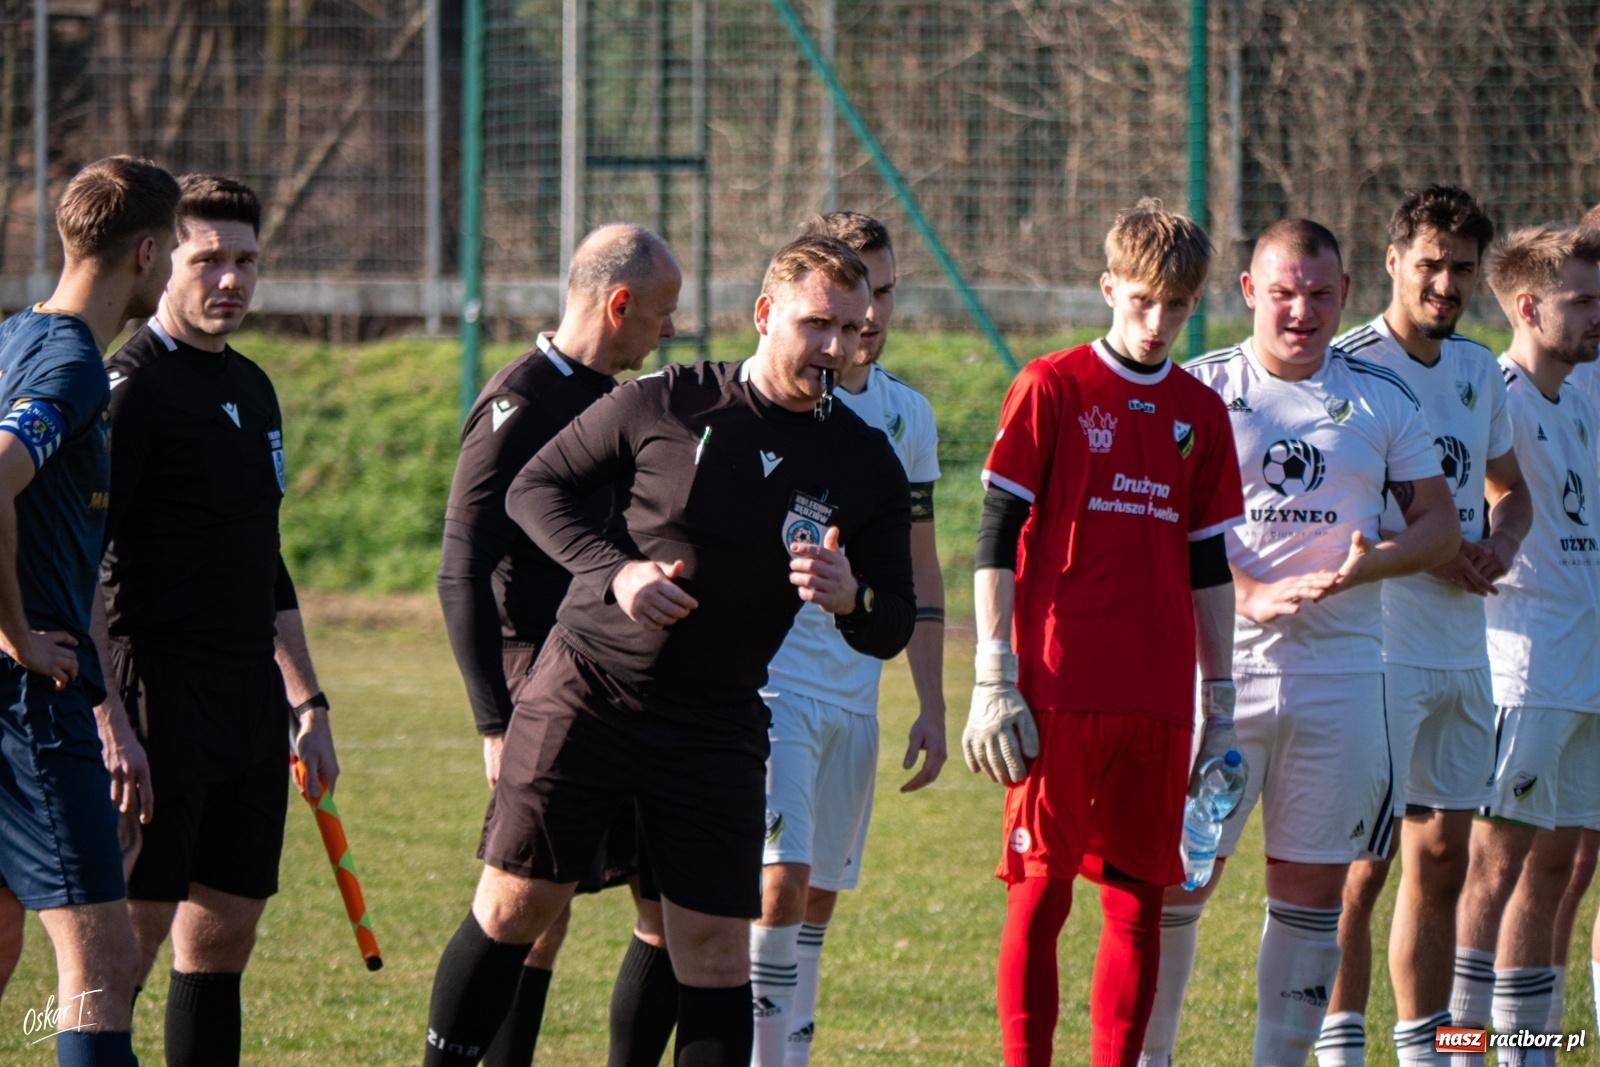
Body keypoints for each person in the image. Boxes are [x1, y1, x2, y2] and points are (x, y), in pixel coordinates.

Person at [420, 235, 916, 1067]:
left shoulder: (864, 461)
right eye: (816, 324)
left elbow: (893, 620)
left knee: (715, 951)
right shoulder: (670, 401)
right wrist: (615, 573)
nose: (835, 346)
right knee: (515, 907)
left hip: (717, 719)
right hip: (588, 691)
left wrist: (849, 595)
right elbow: (531, 490)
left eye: (853, 328)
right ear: (765, 314)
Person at [1140, 219, 1459, 1066]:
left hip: (1344, 677)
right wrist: (1245, 590)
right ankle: (1152, 1056)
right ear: (1249, 291)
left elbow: (1441, 525)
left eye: (1319, 294)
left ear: (1344, 294)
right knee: (1180, 879)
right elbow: (1154, 524)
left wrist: (1370, 566)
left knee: (1314, 889)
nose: (1301, 311)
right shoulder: (1198, 394)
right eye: (1283, 292)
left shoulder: (1383, 399)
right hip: (1221, 676)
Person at [964, 199, 1244, 1067]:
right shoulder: (1052, 385)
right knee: (1039, 894)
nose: (1158, 323)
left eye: (1177, 306)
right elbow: (993, 532)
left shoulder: (1202, 412)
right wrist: (991, 674)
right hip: (1056, 686)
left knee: (1139, 902)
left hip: (1157, 697)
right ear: (1109, 288)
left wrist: (1221, 705)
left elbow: (1208, 567)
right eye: (1142, 302)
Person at [94, 175, 338, 1067]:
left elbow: (260, 558)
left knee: (224, 935)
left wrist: (307, 704)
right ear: (160, 261)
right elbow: (75, 570)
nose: (230, 279)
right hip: (153, 697)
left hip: (246, 703)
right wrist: (108, 718)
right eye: (209, 260)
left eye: (246, 261)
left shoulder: (253, 386)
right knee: (124, 945)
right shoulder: (125, 390)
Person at [436, 222, 683, 1067]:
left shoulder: (632, 400)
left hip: (628, 679)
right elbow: (462, 566)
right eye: (662, 312)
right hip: (540, 680)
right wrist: (493, 718)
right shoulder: (520, 403)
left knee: (668, 905)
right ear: (619, 304)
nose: (670, 331)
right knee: (532, 911)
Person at [1310, 186, 1530, 1067]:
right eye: (1431, 263)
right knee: (1358, 869)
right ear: (1395, 260)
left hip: (1461, 657)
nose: (1446, 282)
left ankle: (1424, 1051)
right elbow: (1335, 508)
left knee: (1440, 859)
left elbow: (1508, 491)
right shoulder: (1350, 364)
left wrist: (1500, 546)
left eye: (1462, 269)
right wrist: (1444, 549)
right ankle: (1334, 1045)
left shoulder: (1479, 371)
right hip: (1380, 651)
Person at [748, 211, 946, 1066]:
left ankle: (788, 1052)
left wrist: (933, 702)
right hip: (776, 684)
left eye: (886, 293)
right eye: (852, 298)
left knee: (820, 894)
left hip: (855, 688)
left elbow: (920, 571)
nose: (869, 319)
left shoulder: (908, 418)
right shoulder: (777, 404)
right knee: (778, 881)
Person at [0, 155, 177, 1066]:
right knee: (101, 958)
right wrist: (18, 632)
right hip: (30, 700)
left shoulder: (11, 335)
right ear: (146, 252)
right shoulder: (72, 365)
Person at [1447, 225, 1600, 1062]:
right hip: (1526, 667)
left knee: (1553, 871)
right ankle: (1464, 1051)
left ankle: (1523, 1050)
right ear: (1529, 306)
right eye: (1582, 302)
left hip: (1586, 666)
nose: (1597, 317)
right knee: (1492, 869)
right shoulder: (1490, 395)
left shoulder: (1578, 393)